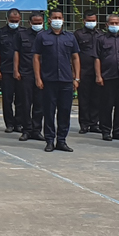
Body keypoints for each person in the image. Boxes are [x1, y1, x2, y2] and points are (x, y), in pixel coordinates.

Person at [34, 11, 79, 152]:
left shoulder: (70, 37)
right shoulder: (42, 36)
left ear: (63, 20)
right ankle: (49, 140)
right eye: (54, 18)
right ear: (49, 20)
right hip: (49, 80)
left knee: (65, 111)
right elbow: (36, 57)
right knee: (49, 111)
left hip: (66, 80)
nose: (57, 20)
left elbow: (75, 58)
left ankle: (61, 140)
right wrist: (38, 77)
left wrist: (77, 78)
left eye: (59, 18)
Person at [93, 14, 119, 142]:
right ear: (106, 25)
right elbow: (97, 58)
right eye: (111, 23)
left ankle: (118, 131)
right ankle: (106, 131)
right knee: (106, 105)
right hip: (107, 76)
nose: (114, 25)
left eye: (116, 23)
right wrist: (98, 75)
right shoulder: (101, 39)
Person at [13, 12, 45, 142]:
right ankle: (26, 129)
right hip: (26, 72)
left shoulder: (46, 35)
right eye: (35, 23)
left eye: (40, 23)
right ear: (29, 23)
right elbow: (16, 53)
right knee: (25, 103)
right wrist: (16, 70)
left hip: (43, 74)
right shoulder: (21, 35)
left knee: (40, 103)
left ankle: (36, 130)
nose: (37, 25)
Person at [0, 8, 24, 134]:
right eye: (12, 20)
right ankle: (9, 123)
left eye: (16, 20)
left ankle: (19, 123)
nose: (14, 22)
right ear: (7, 19)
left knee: (21, 98)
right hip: (6, 69)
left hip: (22, 70)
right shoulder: (0, 33)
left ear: (20, 20)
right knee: (7, 99)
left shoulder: (24, 32)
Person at [74, 12, 101, 135]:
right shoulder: (78, 34)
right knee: (84, 99)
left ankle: (94, 123)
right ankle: (84, 124)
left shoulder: (100, 34)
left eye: (93, 20)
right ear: (84, 21)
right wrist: (75, 74)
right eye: (89, 20)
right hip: (83, 71)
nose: (91, 22)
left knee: (96, 99)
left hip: (97, 71)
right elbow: (74, 55)